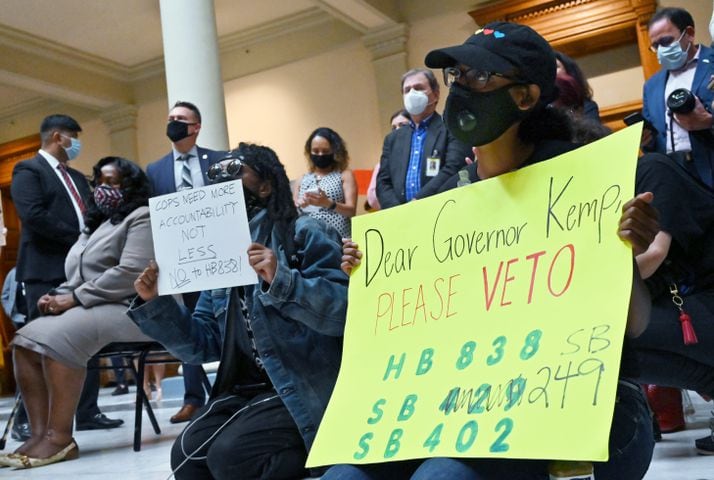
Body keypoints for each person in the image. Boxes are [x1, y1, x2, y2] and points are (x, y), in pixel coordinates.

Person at [328, 21, 659, 480]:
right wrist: (372, 274)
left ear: (524, 97)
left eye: (478, 77)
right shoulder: (443, 199)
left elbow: (637, 323)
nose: (460, 88)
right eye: (457, 75)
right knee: (345, 475)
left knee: (442, 477)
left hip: (584, 404)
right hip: (462, 401)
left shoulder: (582, 181)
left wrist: (621, 253)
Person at [129, 142, 348, 479]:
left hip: (298, 382)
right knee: (186, 456)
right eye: (216, 172)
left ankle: (316, 459)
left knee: (231, 456)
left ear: (266, 184)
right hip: (243, 389)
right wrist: (156, 304)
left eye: (235, 169)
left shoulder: (304, 232)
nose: (222, 177)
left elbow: (342, 312)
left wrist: (282, 280)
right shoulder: (219, 249)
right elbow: (202, 345)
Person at [1, 156, 155, 468]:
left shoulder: (142, 216)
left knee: (60, 337)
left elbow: (130, 272)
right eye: (99, 182)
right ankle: (39, 434)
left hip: (134, 308)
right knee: (24, 341)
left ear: (131, 187)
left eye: (113, 183)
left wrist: (74, 299)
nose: (103, 189)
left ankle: (60, 438)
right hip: (95, 305)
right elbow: (77, 274)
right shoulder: (95, 225)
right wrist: (57, 294)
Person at [10, 114, 122, 441]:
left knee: (83, 340)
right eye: (74, 137)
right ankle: (30, 420)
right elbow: (33, 215)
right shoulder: (28, 171)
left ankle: (86, 411)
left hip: (81, 273)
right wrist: (80, 237)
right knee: (40, 343)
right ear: (58, 137)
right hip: (45, 270)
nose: (77, 144)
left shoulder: (76, 176)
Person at [629, 150, 714, 455]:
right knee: (613, 344)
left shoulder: (651, 170)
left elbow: (653, 255)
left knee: (614, 336)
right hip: (697, 300)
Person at [146, 100, 225, 424]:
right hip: (182, 258)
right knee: (189, 321)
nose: (173, 123)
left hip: (221, 252)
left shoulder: (219, 161)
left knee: (225, 317)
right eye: (170, 118)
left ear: (196, 127)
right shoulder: (156, 170)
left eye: (181, 119)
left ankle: (228, 390)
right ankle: (193, 397)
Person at [376, 68, 472, 209]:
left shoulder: (451, 128)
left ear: (436, 94)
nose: (412, 93)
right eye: (407, 90)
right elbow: (383, 182)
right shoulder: (393, 139)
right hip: (400, 218)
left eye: (419, 88)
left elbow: (454, 168)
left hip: (441, 210)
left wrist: (418, 202)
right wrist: (398, 210)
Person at [642, 7, 714, 189]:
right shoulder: (651, 86)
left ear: (689, 34)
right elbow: (655, 142)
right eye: (655, 46)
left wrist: (709, 122)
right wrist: (647, 141)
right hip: (675, 177)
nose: (661, 50)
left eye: (666, 42)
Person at [294, 127, 357, 237]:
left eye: (325, 151)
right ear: (309, 152)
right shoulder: (301, 179)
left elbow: (351, 211)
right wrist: (300, 205)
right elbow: (293, 211)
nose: (320, 155)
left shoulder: (344, 175)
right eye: (316, 151)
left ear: (335, 152)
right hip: (309, 240)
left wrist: (328, 203)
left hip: (339, 238)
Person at [366, 111, 411, 212]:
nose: (397, 131)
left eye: (403, 125)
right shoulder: (383, 164)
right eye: (394, 128)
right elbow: (372, 198)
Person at [554, 51, 600, 121]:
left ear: (568, 71)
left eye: (556, 67)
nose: (551, 71)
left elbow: (591, 130)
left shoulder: (587, 106)